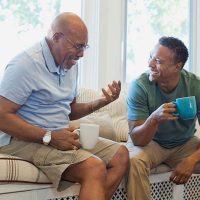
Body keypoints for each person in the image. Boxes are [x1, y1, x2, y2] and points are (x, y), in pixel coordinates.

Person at [0, 12, 129, 200]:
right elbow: (2, 116)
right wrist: (49, 136)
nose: (82, 53)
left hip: (57, 134)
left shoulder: (70, 63)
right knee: (94, 167)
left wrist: (100, 102)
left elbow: (69, 110)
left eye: (85, 47)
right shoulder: (26, 64)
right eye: (78, 46)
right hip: (20, 140)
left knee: (121, 154)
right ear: (57, 37)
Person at [126, 36, 200, 200]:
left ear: (177, 66)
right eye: (151, 57)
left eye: (158, 61)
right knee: (134, 161)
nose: (150, 64)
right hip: (152, 143)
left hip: (184, 143)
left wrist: (191, 160)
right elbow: (137, 140)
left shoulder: (195, 86)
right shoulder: (140, 86)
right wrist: (153, 119)